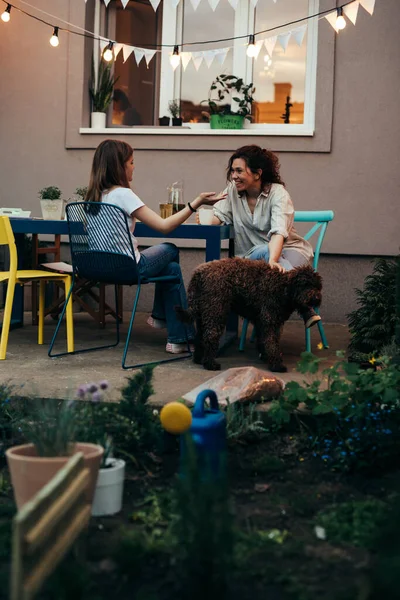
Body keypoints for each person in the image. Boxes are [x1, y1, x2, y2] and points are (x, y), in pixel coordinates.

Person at [85, 139, 226, 353]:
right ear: (119, 166)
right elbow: (164, 226)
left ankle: (178, 339)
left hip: (96, 268)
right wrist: (196, 203)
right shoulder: (123, 194)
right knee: (170, 248)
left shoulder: (92, 198)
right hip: (128, 268)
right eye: (131, 162)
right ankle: (163, 319)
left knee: (172, 270)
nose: (134, 167)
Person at [203, 145, 321, 328]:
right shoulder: (232, 190)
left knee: (275, 276)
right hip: (252, 257)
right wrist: (202, 208)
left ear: (257, 174)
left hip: (289, 251)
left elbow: (279, 232)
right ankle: (305, 307)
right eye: (232, 171)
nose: (234, 176)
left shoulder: (278, 194)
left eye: (239, 171)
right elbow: (215, 221)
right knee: (275, 269)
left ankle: (267, 332)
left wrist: (273, 260)